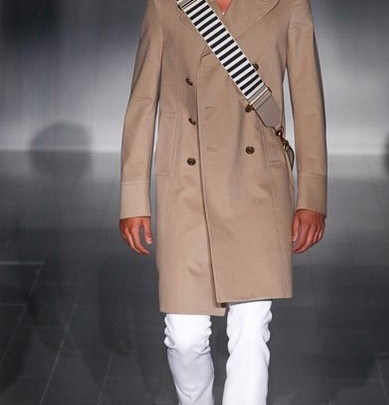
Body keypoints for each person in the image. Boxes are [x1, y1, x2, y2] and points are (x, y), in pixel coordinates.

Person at [119, 0, 327, 403]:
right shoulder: (167, 4)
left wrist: (312, 194)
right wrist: (133, 196)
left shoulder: (288, 4)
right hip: (186, 184)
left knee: (251, 329)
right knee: (184, 336)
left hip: (257, 181)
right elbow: (142, 101)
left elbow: (308, 99)